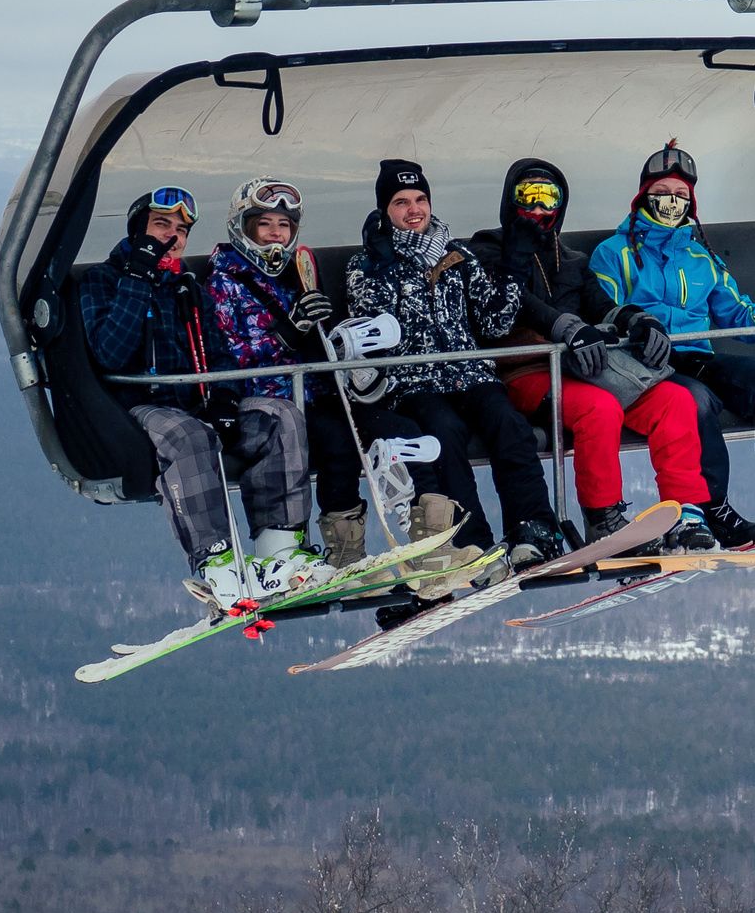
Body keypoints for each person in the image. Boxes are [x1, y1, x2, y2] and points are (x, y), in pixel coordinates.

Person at [470, 158, 743, 551]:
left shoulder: (571, 261)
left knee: (676, 401)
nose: (539, 208)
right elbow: (521, 306)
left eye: (549, 198)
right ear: (510, 200)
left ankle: (686, 511)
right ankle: (604, 519)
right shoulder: (486, 252)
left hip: (583, 366)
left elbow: (600, 303)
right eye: (528, 196)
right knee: (598, 409)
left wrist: (638, 320)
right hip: (526, 370)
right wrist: (567, 327)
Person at [75, 186, 312, 611]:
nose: (172, 237)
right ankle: (219, 564)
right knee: (188, 437)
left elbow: (220, 354)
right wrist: (137, 279)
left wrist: (223, 399)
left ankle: (279, 553)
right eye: (161, 225)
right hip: (140, 406)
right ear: (138, 231)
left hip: (197, 401)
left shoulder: (187, 288)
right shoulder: (102, 281)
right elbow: (110, 351)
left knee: (281, 416)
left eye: (181, 230)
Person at [588, 141, 755, 531]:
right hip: (647, 365)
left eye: (680, 195)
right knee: (695, 401)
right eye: (662, 193)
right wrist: (635, 326)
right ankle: (710, 507)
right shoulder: (614, 254)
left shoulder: (699, 256)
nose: (671, 202)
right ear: (643, 196)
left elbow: (737, 313)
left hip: (696, 356)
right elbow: (602, 313)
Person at [204, 176, 444, 575]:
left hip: (319, 390)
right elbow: (233, 358)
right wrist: (287, 332)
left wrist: (340, 343)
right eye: (264, 224)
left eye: (284, 225)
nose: (275, 235)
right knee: (337, 441)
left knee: (400, 428)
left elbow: (317, 341)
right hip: (269, 402)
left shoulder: (298, 273)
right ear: (244, 227)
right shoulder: (223, 283)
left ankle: (434, 539)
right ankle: (346, 551)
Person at [344, 158, 571, 567]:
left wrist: (514, 266)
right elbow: (370, 333)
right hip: (412, 382)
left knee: (508, 423)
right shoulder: (365, 264)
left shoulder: (457, 255)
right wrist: (382, 269)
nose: (414, 210)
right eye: (401, 202)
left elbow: (495, 323)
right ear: (385, 210)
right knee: (443, 433)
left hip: (468, 373)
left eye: (420, 199)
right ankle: (473, 544)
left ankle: (532, 527)